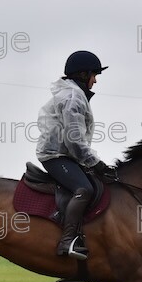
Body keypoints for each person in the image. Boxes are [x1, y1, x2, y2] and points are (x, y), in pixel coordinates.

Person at [36, 50, 117, 261]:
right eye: (94, 75)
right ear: (83, 74)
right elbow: (74, 141)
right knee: (84, 189)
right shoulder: (72, 98)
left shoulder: (76, 96)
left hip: (66, 155)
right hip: (56, 156)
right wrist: (97, 163)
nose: (95, 81)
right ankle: (67, 241)